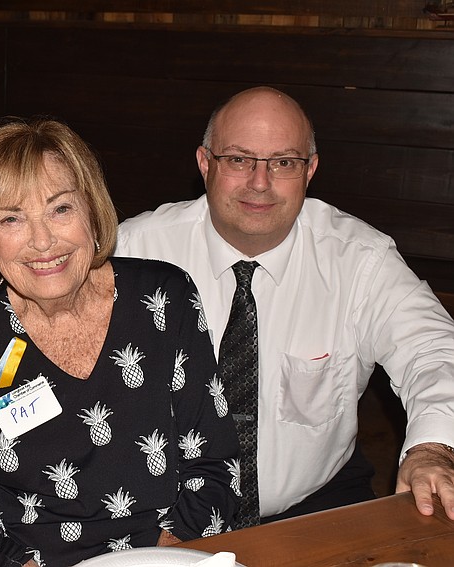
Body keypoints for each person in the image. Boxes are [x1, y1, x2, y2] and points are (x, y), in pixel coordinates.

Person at [116, 86, 454, 524]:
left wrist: (431, 447)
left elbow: (432, 349)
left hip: (313, 506)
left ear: (310, 170)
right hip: (159, 510)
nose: (260, 182)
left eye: (284, 162)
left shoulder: (359, 260)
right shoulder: (133, 251)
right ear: (205, 163)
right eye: (238, 159)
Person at [0, 118, 239, 567]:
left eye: (60, 209)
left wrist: (171, 556)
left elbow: (213, 464)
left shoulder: (164, 298)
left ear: (93, 212)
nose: (42, 242)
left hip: (167, 553)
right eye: (12, 218)